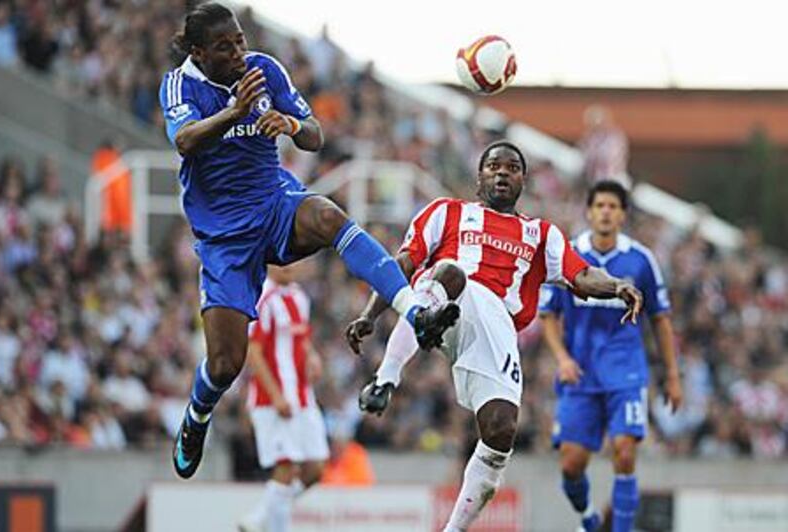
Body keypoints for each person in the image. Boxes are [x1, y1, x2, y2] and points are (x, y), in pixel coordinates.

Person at [159, 3, 458, 479]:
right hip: (224, 238)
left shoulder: (264, 69)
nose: (239, 52)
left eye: (239, 40)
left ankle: (414, 312)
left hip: (274, 202)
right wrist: (235, 112)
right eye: (225, 46)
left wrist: (291, 125)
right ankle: (197, 416)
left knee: (327, 214)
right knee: (224, 363)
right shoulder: (180, 85)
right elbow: (185, 140)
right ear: (199, 52)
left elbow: (315, 135)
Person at [345, 142, 644, 532]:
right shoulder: (446, 212)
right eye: (493, 166)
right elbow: (400, 264)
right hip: (444, 295)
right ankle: (385, 379)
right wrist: (370, 315)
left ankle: (453, 529)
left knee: (501, 431)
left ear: (523, 179)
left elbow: (581, 276)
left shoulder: (541, 234)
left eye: (512, 167)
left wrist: (617, 285)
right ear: (479, 176)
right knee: (450, 273)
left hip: (496, 327)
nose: (502, 172)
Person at [538, 180, 683, 532]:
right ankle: (589, 518)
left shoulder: (641, 260)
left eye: (612, 207)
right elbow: (548, 316)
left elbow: (660, 319)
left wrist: (672, 376)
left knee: (625, 451)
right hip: (581, 374)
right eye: (599, 205)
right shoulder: (568, 256)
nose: (605, 212)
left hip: (625, 372)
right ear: (589, 212)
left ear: (622, 215)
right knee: (571, 465)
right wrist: (562, 359)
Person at [238, 265, 328, 532]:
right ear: (267, 263)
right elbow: (252, 353)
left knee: (316, 469)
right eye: (280, 260)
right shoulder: (263, 299)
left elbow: (300, 338)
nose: (288, 265)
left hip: (302, 396)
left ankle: (259, 517)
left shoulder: (299, 296)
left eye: (292, 258)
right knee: (285, 469)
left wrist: (312, 356)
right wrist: (276, 396)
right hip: (273, 401)